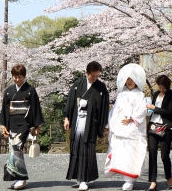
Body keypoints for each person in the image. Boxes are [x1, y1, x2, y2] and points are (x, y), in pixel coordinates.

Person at [63, 61, 110, 191]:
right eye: (92, 76)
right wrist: (66, 118)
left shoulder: (101, 88)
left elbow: (104, 107)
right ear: (86, 73)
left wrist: (105, 123)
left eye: (97, 76)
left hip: (91, 124)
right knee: (76, 149)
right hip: (77, 121)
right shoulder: (78, 85)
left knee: (87, 151)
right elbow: (70, 103)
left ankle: (84, 180)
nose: (95, 78)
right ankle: (78, 177)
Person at [0, 64, 43, 190]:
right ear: (12, 76)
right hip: (12, 122)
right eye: (15, 77)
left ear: (24, 76)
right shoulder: (8, 91)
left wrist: (37, 125)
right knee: (12, 149)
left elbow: (35, 108)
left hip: (25, 122)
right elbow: (4, 109)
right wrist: (3, 125)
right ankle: (15, 176)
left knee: (17, 147)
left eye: (20, 77)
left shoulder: (30, 90)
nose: (17, 79)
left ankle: (22, 178)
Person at [106, 63, 148, 191]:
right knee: (121, 152)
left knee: (131, 153)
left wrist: (132, 118)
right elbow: (114, 111)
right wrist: (109, 124)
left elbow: (142, 110)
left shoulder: (140, 95)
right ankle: (125, 179)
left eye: (132, 79)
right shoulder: (121, 95)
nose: (129, 82)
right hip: (120, 126)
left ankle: (130, 180)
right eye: (128, 79)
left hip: (133, 128)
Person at [147, 75, 172, 191]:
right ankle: (153, 182)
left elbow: (168, 111)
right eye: (159, 87)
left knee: (164, 156)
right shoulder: (155, 94)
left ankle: (169, 177)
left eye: (163, 87)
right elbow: (152, 109)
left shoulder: (171, 95)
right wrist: (148, 109)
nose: (161, 89)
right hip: (153, 126)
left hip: (165, 127)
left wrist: (154, 108)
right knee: (152, 155)